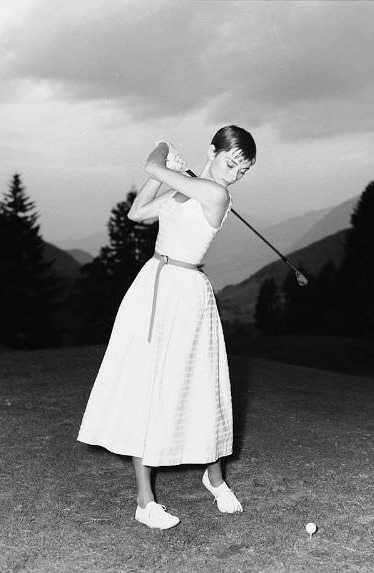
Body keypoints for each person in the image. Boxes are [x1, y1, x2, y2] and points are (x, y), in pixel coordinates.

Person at [77, 125, 256, 530]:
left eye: (242, 171)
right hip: (152, 285)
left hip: (187, 292)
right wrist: (163, 171)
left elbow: (152, 161)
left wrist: (165, 151)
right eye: (230, 164)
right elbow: (137, 212)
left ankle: (214, 478)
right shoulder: (187, 188)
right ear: (213, 151)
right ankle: (145, 501)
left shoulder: (215, 194)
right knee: (147, 384)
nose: (234, 175)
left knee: (198, 385)